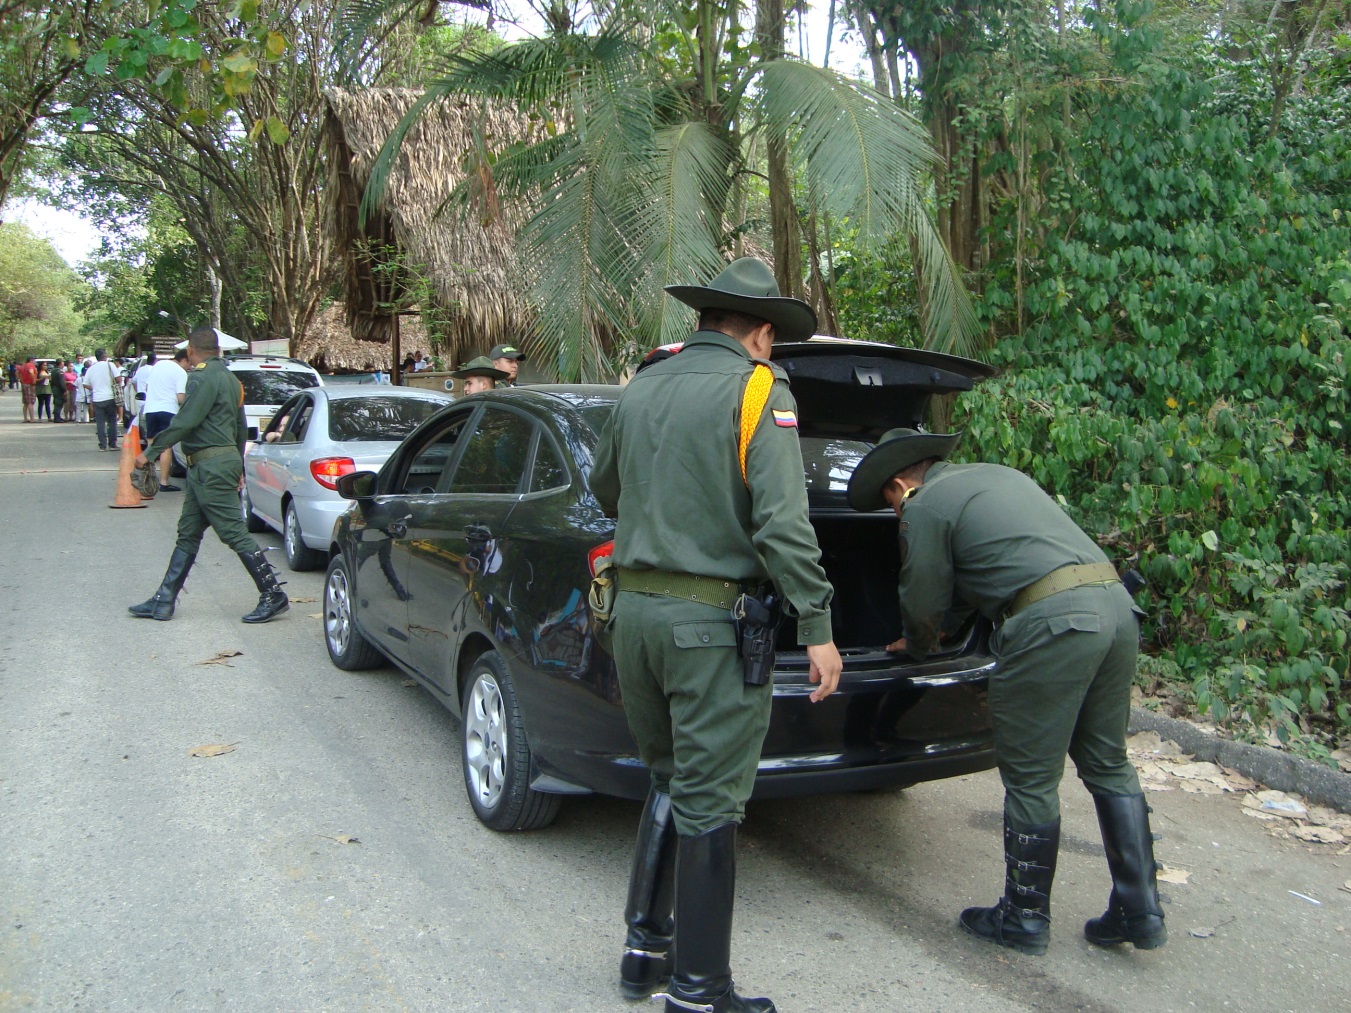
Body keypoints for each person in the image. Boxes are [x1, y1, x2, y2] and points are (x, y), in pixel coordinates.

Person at [590, 257, 843, 1013]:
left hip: (631, 618)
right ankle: (699, 992)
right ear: (761, 333)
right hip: (708, 628)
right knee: (708, 802)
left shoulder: (642, 385)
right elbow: (781, 523)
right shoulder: (758, 389)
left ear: (702, 322)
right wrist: (818, 625)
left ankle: (645, 953)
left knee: (669, 780)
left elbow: (607, 487)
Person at [845, 428, 1166, 957]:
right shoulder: (996, 477)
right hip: (1115, 609)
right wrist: (950, 628)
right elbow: (994, 566)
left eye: (889, 504)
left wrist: (920, 646)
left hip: (1051, 627)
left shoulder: (924, 507)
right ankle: (1140, 910)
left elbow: (922, 596)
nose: (896, 515)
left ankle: (1023, 918)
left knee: (1032, 776)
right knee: (1108, 763)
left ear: (901, 485)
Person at [129, 327, 288, 624]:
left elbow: (186, 421)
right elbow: (241, 428)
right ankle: (163, 600)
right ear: (217, 349)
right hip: (213, 465)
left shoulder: (200, 378)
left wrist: (148, 453)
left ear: (191, 351)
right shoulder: (230, 379)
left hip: (209, 467)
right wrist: (237, 465)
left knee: (233, 533)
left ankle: (273, 594)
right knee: (188, 533)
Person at [142, 348, 189, 493]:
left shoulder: (158, 365)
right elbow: (181, 398)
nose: (190, 367)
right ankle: (164, 482)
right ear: (184, 360)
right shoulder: (180, 372)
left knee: (151, 445)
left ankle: (148, 480)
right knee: (166, 446)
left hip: (150, 409)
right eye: (190, 364)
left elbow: (148, 387)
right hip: (168, 410)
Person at [82, 349, 122, 451]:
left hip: (97, 399)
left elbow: (85, 384)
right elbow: (118, 379)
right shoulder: (110, 365)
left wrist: (94, 388)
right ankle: (112, 444)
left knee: (100, 422)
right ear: (105, 356)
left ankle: (102, 445)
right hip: (110, 397)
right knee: (112, 421)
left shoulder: (91, 368)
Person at [17, 357, 37, 423]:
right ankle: (32, 418)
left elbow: (17, 372)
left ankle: (25, 418)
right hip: (29, 384)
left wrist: (20, 379)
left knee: (25, 402)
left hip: (24, 384)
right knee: (30, 402)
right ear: (31, 360)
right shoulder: (30, 365)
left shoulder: (23, 365)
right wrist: (33, 380)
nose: (35, 362)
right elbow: (31, 372)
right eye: (34, 360)